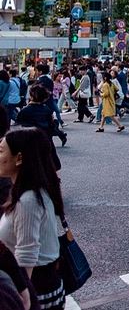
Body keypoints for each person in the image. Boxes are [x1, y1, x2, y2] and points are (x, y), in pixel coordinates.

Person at [0, 128, 67, 310]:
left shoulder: (28, 200)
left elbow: (26, 255)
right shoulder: (27, 192)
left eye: (1, 151)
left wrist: (23, 296)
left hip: (36, 289)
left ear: (19, 158)